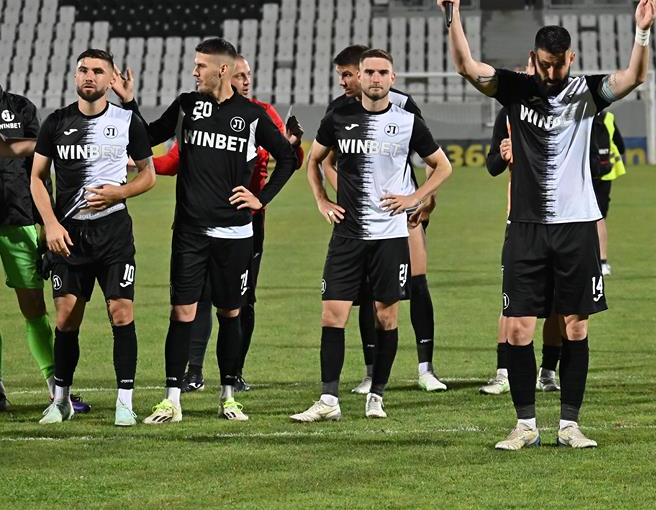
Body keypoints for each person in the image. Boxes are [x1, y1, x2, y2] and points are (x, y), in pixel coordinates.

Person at [439, 0, 655, 450]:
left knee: (575, 325)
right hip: (527, 228)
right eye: (544, 63)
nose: (551, 72)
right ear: (533, 58)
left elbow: (634, 77)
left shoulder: (587, 92)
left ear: (571, 58)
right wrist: (452, 16)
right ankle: (525, 425)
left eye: (559, 64)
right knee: (519, 328)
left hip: (576, 227)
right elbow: (465, 65)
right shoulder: (515, 89)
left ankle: (570, 424)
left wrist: (641, 32)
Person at [120, 38, 297, 423]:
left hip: (235, 233)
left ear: (222, 69)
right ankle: (172, 399)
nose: (194, 71)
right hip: (190, 231)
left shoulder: (251, 115)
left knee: (230, 312)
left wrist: (261, 198)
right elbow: (146, 137)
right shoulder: (187, 105)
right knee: (181, 311)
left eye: (201, 65)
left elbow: (287, 158)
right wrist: (129, 103)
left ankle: (228, 396)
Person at [290, 49, 452, 422]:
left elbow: (442, 166)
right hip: (347, 234)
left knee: (387, 316)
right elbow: (314, 161)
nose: (375, 78)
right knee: (332, 314)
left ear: (392, 78)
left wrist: (415, 198)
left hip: (390, 235)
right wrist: (321, 200)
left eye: (382, 72)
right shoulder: (338, 117)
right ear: (360, 77)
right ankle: (328, 400)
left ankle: (376, 395)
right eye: (369, 72)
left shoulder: (408, 122)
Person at [29, 50, 155, 426]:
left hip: (113, 233)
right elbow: (36, 177)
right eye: (83, 69)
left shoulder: (127, 121)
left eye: (98, 71)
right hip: (68, 236)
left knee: (121, 312)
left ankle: (124, 403)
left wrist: (120, 193)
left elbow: (148, 174)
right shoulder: (56, 122)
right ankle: (61, 401)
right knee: (66, 318)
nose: (89, 76)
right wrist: (51, 224)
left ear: (110, 79)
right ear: (75, 76)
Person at [0, 86, 91, 414]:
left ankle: (57, 389)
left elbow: (38, 169)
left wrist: (45, 222)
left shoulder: (20, 107)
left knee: (34, 307)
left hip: (18, 218)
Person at [481, 81, 563, 396]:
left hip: (562, 222)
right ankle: (503, 373)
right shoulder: (509, 113)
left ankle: (548, 371)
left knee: (558, 302)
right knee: (512, 301)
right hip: (520, 223)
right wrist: (503, 156)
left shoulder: (569, 111)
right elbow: (492, 166)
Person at [592, 110, 625, 276]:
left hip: (585, 173)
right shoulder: (609, 117)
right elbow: (621, 147)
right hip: (606, 173)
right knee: (600, 218)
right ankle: (603, 261)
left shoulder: (579, 115)